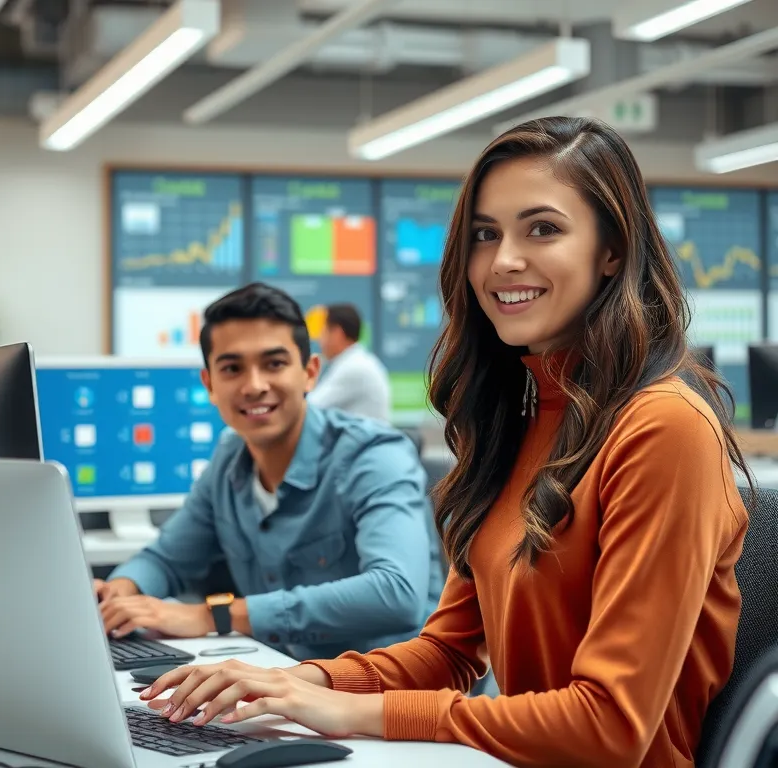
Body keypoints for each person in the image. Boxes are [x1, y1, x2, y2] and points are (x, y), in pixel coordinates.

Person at [135, 117, 752, 768]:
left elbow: (609, 727)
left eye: (542, 228)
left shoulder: (664, 427)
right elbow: (452, 652)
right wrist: (302, 684)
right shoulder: (517, 416)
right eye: (486, 235)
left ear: (613, 250)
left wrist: (350, 710)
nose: (504, 260)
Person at [95, 282, 444, 661]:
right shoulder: (230, 459)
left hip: (399, 699)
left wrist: (216, 615)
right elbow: (165, 559)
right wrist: (120, 593)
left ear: (310, 373)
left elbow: (396, 593)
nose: (254, 386)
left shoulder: (373, 454)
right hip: (290, 684)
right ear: (209, 384)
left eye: (274, 364)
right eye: (232, 368)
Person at [307, 304, 391, 423]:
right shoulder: (356, 361)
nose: (320, 340)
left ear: (337, 333)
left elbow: (309, 409)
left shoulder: (354, 367)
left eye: (323, 332)